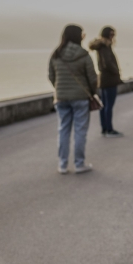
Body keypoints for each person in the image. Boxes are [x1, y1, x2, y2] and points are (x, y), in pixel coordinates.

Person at [48, 24, 97, 174]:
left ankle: (62, 165)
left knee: (63, 130)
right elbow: (92, 78)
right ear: (78, 36)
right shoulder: (83, 55)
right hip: (80, 98)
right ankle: (79, 164)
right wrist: (92, 92)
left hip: (61, 98)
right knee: (80, 131)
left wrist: (60, 89)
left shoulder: (56, 54)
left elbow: (51, 76)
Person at [89, 26, 123, 137]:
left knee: (103, 105)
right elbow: (107, 63)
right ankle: (109, 129)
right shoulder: (105, 46)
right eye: (112, 34)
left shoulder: (100, 46)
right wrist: (116, 72)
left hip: (103, 78)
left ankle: (104, 128)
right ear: (108, 35)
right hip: (109, 79)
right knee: (109, 105)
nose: (113, 37)